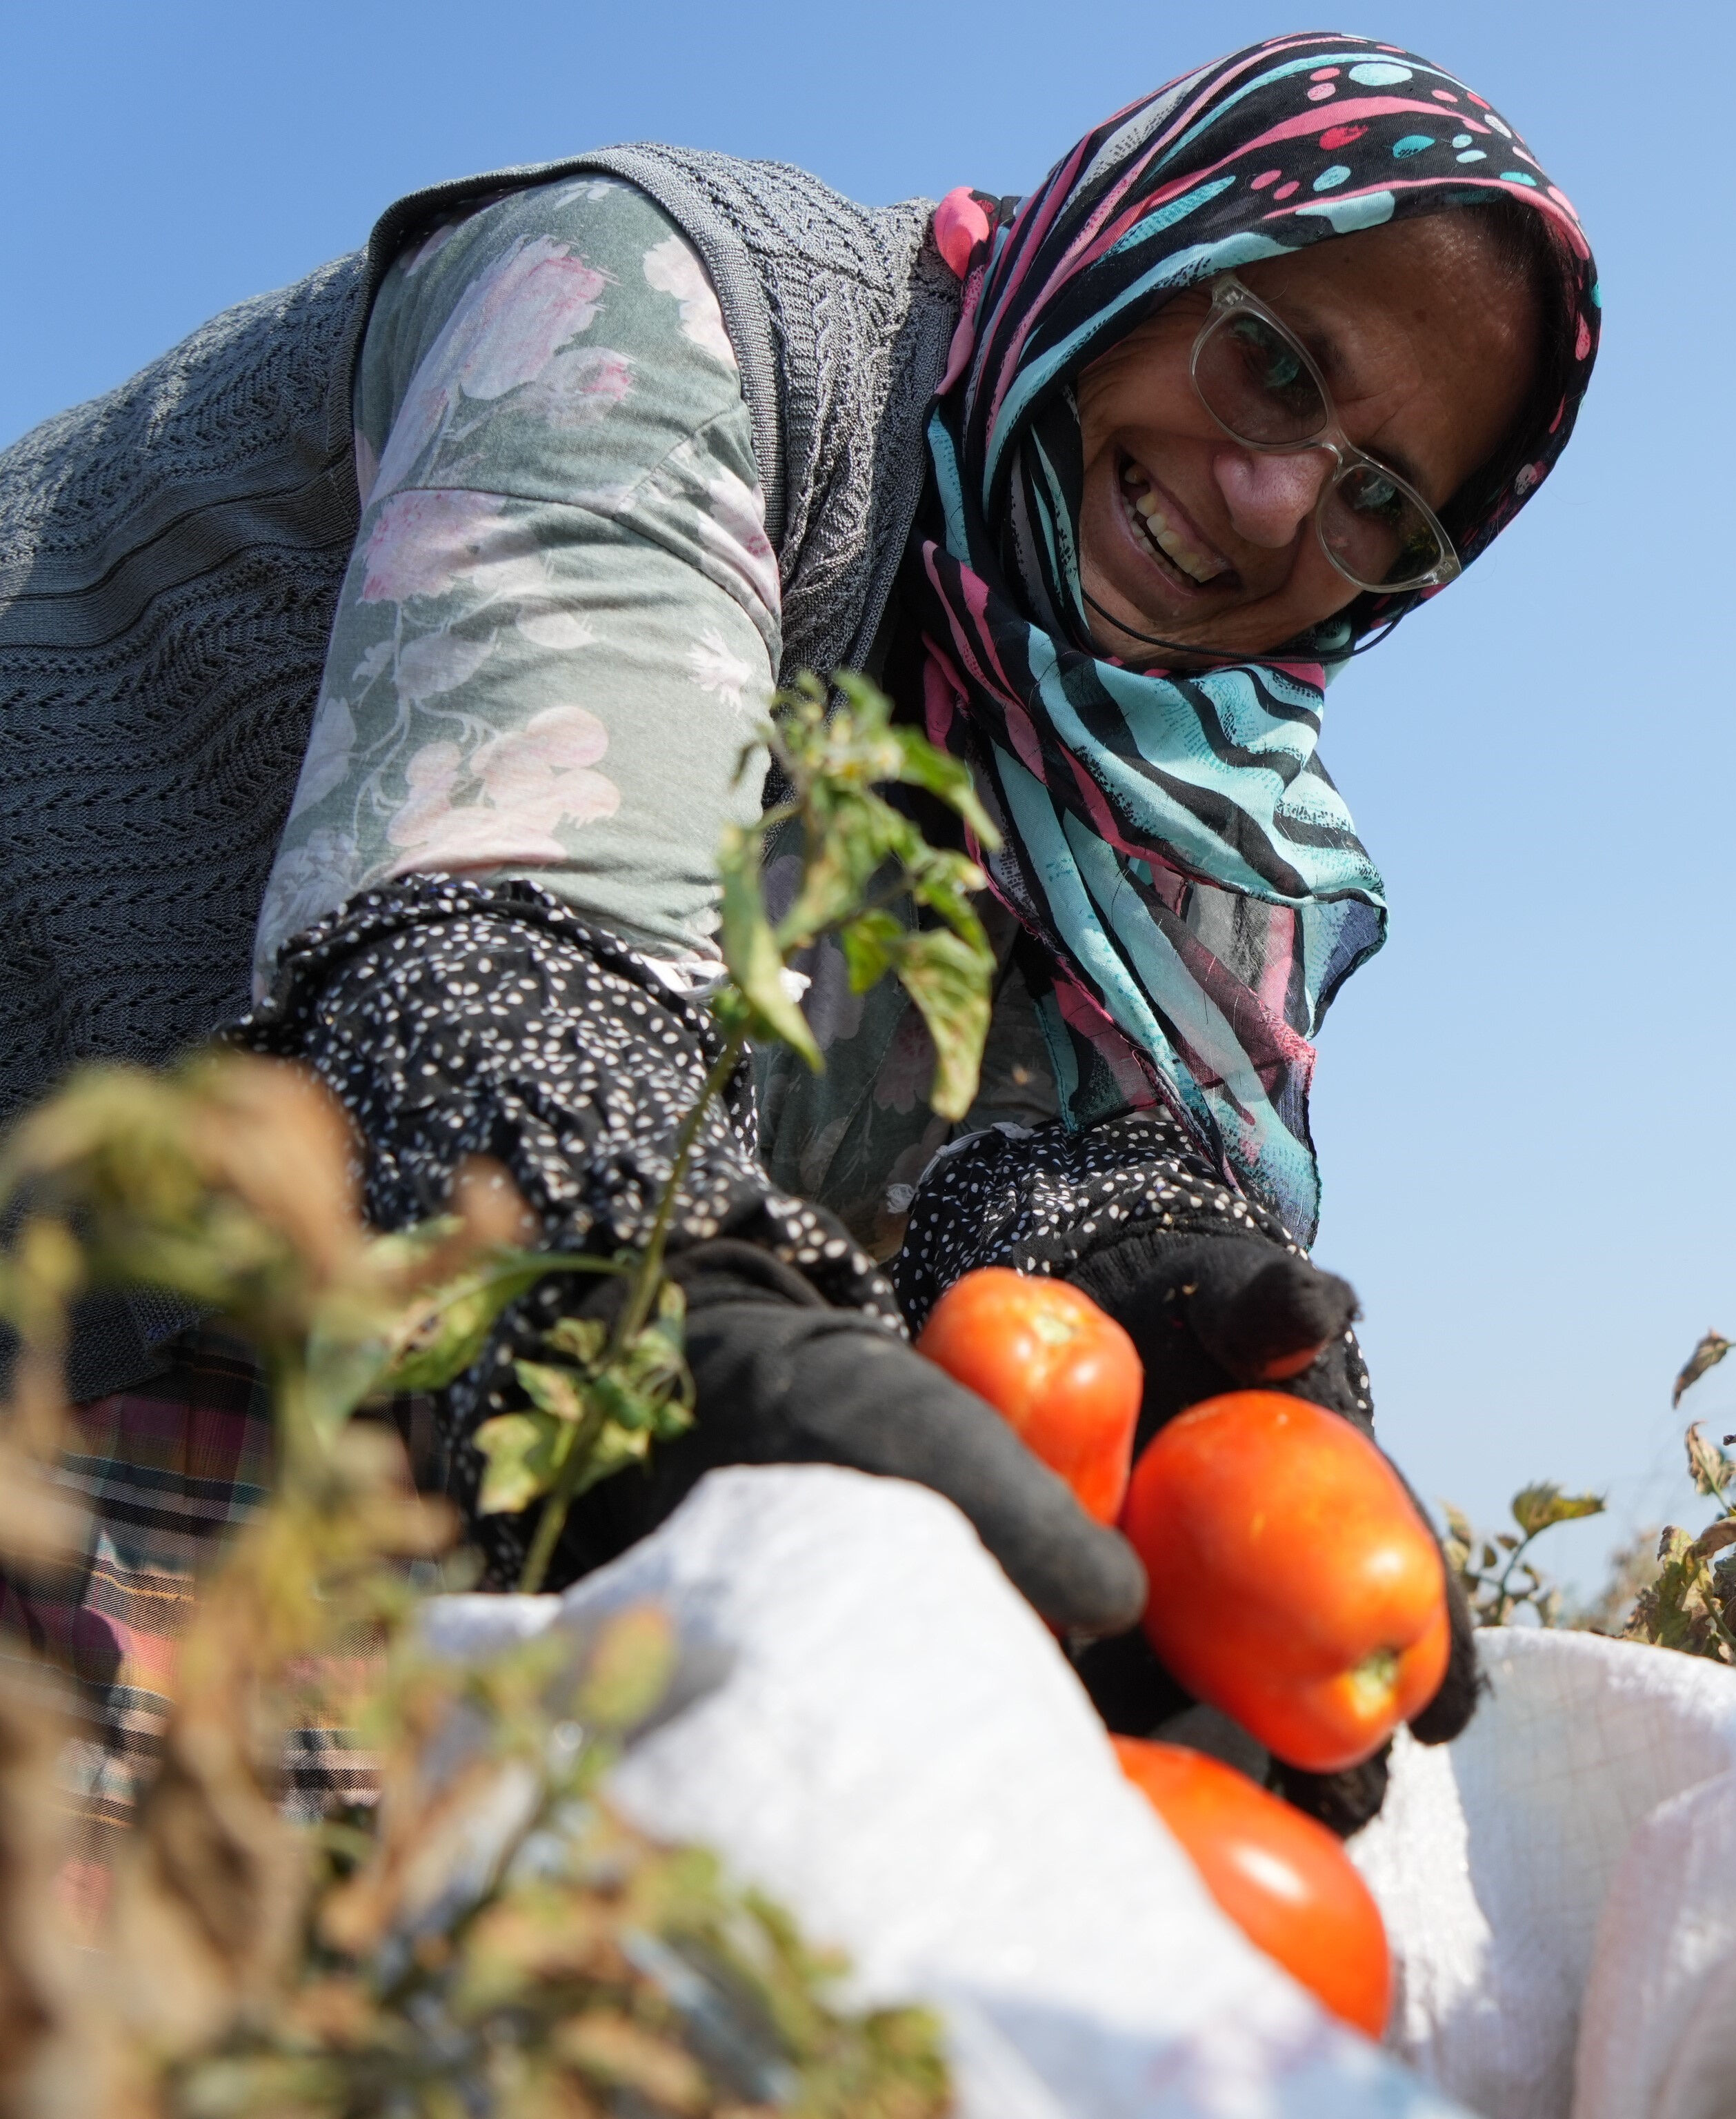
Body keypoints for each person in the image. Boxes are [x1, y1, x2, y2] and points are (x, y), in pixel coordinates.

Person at [0, 31, 1600, 1854]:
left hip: (346, 1362)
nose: (1279, 502)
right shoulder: (663, 305)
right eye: (1274, 364)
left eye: (1383, 502)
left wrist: (1130, 1290)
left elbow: (1018, 1159)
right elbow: (485, 955)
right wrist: (656, 1295)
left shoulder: (1171, 787)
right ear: (1154, 245)